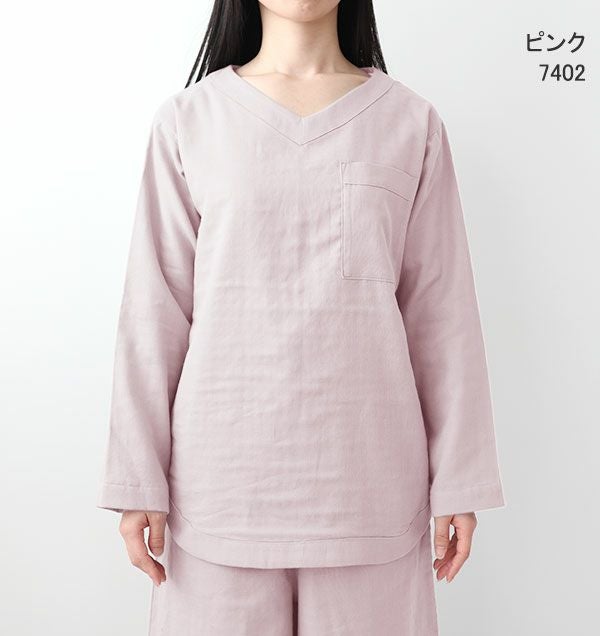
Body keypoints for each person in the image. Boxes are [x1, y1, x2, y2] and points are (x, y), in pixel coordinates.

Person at [98, 0, 506, 633]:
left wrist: (459, 480)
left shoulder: (409, 122)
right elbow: (155, 309)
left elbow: (441, 312)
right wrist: (138, 479)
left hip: (370, 491)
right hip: (219, 494)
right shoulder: (189, 121)